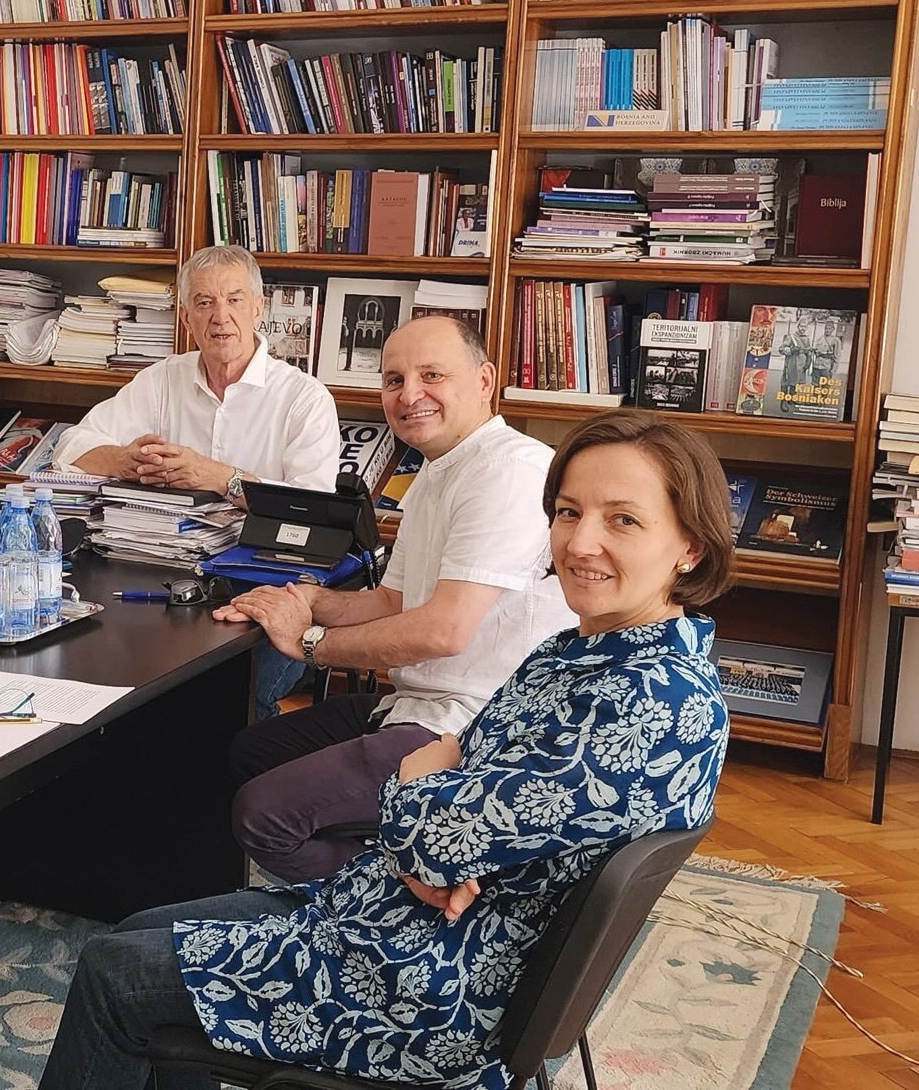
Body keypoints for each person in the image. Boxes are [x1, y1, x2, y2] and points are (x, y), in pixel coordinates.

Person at [38, 408, 739, 1090]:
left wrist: (428, 815)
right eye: (567, 512)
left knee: (113, 974)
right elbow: (458, 781)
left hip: (426, 988)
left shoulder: (654, 703)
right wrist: (440, 830)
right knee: (131, 932)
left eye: (623, 519)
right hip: (402, 922)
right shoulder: (586, 650)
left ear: (690, 546)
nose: (581, 542)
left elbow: (437, 805)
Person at [216, 315, 578, 883]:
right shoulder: (436, 472)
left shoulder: (510, 470)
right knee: (252, 754)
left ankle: (390, 907)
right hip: (420, 705)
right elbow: (392, 603)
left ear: (484, 382)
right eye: (393, 380)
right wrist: (299, 599)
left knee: (264, 817)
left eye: (431, 375)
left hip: (475, 729)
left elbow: (442, 631)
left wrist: (310, 642)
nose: (409, 395)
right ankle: (400, 855)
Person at [47, 244, 340, 717]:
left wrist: (223, 479)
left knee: (225, 695)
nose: (220, 316)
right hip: (164, 572)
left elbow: (312, 513)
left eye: (234, 299)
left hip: (267, 585)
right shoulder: (162, 380)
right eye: (204, 302)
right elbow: (72, 447)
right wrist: (125, 460)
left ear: (259, 308)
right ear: (186, 316)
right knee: (108, 666)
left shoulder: (303, 398)